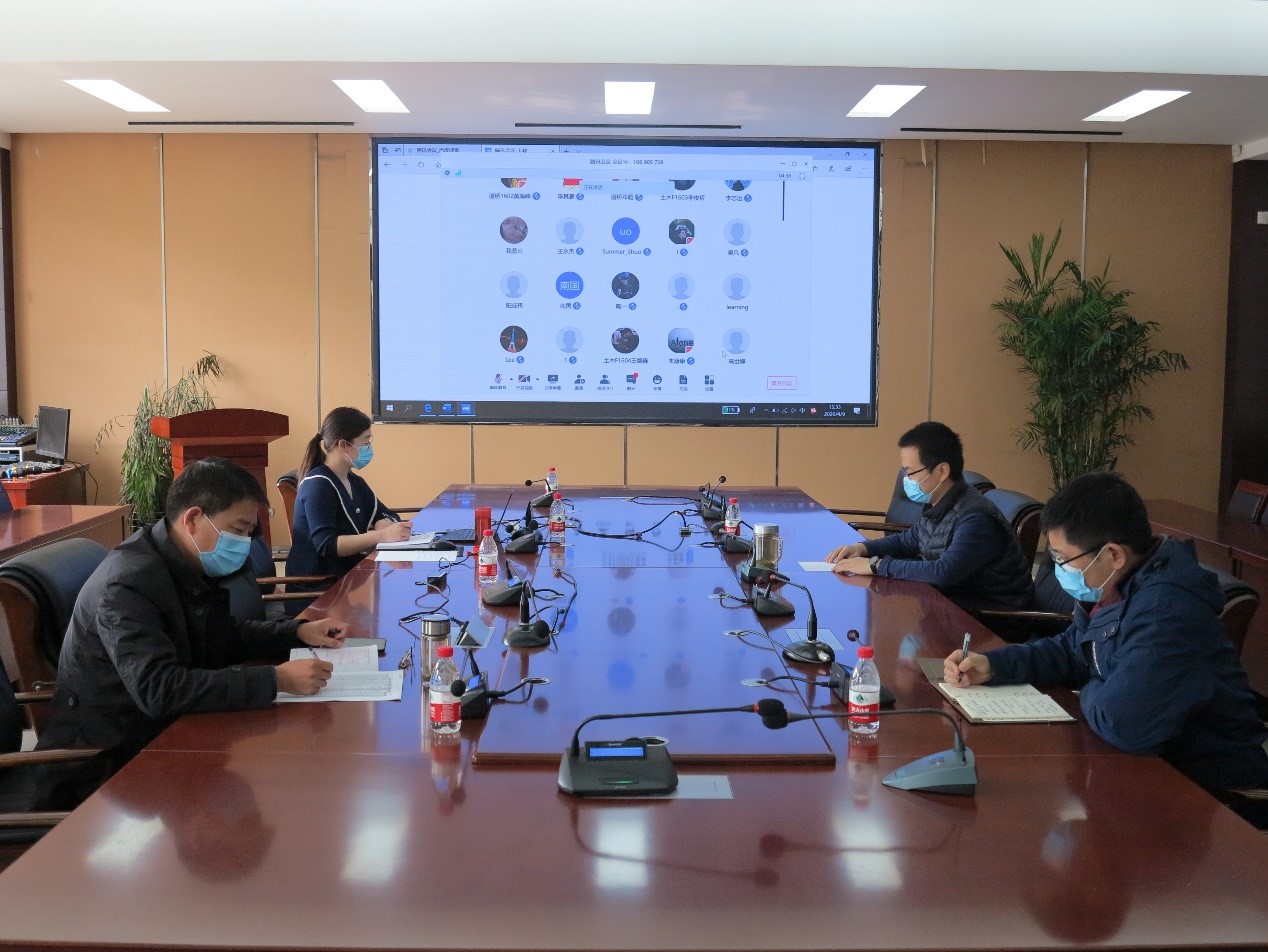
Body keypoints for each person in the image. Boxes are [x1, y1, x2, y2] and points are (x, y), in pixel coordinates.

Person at [944, 472, 1268, 826]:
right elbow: (1074, 650)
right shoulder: (1120, 585)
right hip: (1149, 768)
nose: (1059, 569)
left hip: (1216, 799)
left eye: (1063, 559)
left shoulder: (1168, 611)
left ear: (1112, 554)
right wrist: (994, 666)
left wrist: (1092, 683)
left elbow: (1125, 724)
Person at [35, 457, 347, 808]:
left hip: (164, 733)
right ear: (193, 519)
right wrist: (276, 680)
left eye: (248, 533)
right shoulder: (127, 585)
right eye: (238, 530)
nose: (244, 543)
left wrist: (296, 633)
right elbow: (159, 689)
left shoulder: (184, 562)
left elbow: (222, 637)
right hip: (106, 768)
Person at [825, 421, 1033, 609]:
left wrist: (875, 565)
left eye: (911, 473)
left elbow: (943, 572)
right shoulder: (941, 503)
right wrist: (862, 548)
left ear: (942, 472)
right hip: (952, 603)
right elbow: (907, 541)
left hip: (990, 618)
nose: (907, 480)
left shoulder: (975, 518)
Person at [286, 407, 411, 587]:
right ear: (343, 445)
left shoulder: (354, 481)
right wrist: (381, 535)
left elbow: (386, 513)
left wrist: (383, 522)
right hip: (318, 588)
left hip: (348, 580)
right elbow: (327, 545)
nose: (369, 448)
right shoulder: (318, 485)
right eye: (365, 442)